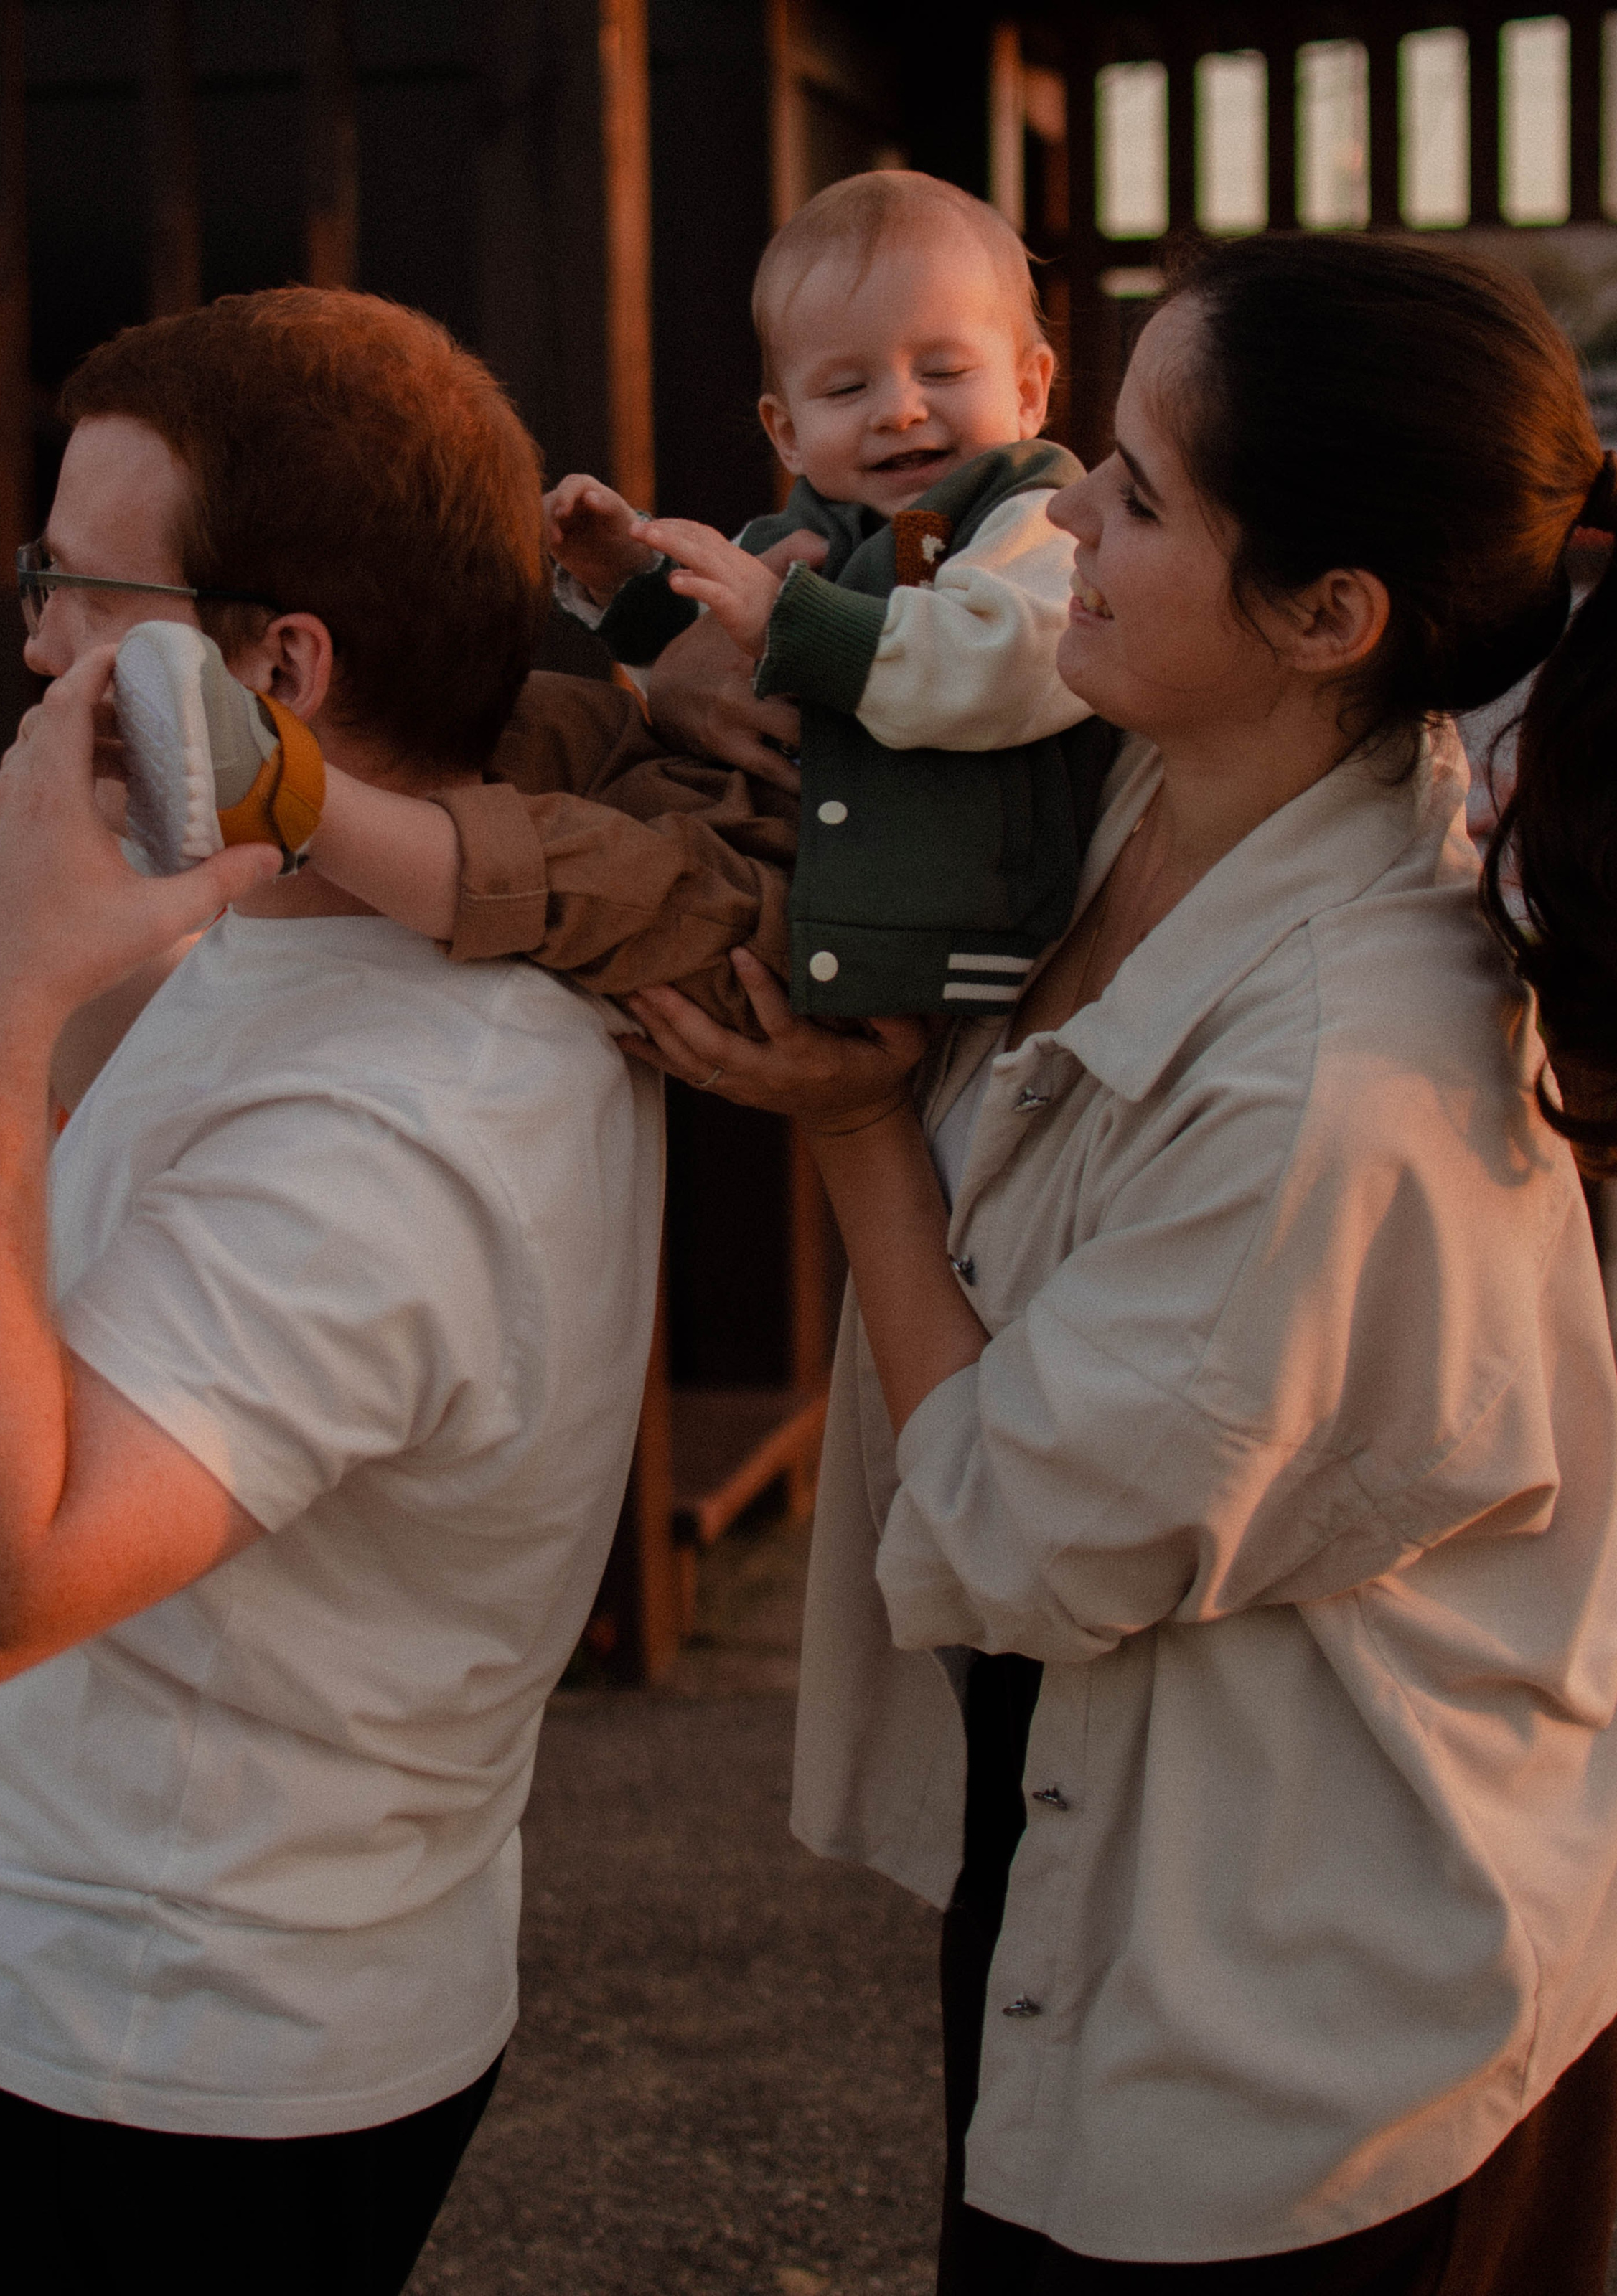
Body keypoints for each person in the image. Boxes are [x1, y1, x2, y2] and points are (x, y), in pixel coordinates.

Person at [620, 233, 1617, 2292]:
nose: (1057, 504)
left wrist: (857, 1127)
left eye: (1141, 494)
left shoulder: (1344, 1093)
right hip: (1129, 1880)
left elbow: (1005, 1536)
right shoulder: (1138, 778)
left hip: (1304, 2044)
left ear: (1331, 615)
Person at [0, 288, 664, 2295]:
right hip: (106, 1973)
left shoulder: (396, 1126)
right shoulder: (274, 923)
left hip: (159, 2057)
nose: (30, 635)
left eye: (72, 585)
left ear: (274, 668)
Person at [213, 173, 1106, 1029]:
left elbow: (1009, 661)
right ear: (788, 431)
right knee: (543, 719)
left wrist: (787, 621)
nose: (901, 411)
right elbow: (702, 674)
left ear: (1029, 389)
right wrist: (626, 581)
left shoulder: (1029, 516)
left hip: (872, 910)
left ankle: (303, 801)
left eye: (943, 372)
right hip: (760, 828)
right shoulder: (810, 533)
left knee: (609, 865)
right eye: (847, 388)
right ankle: (281, 773)